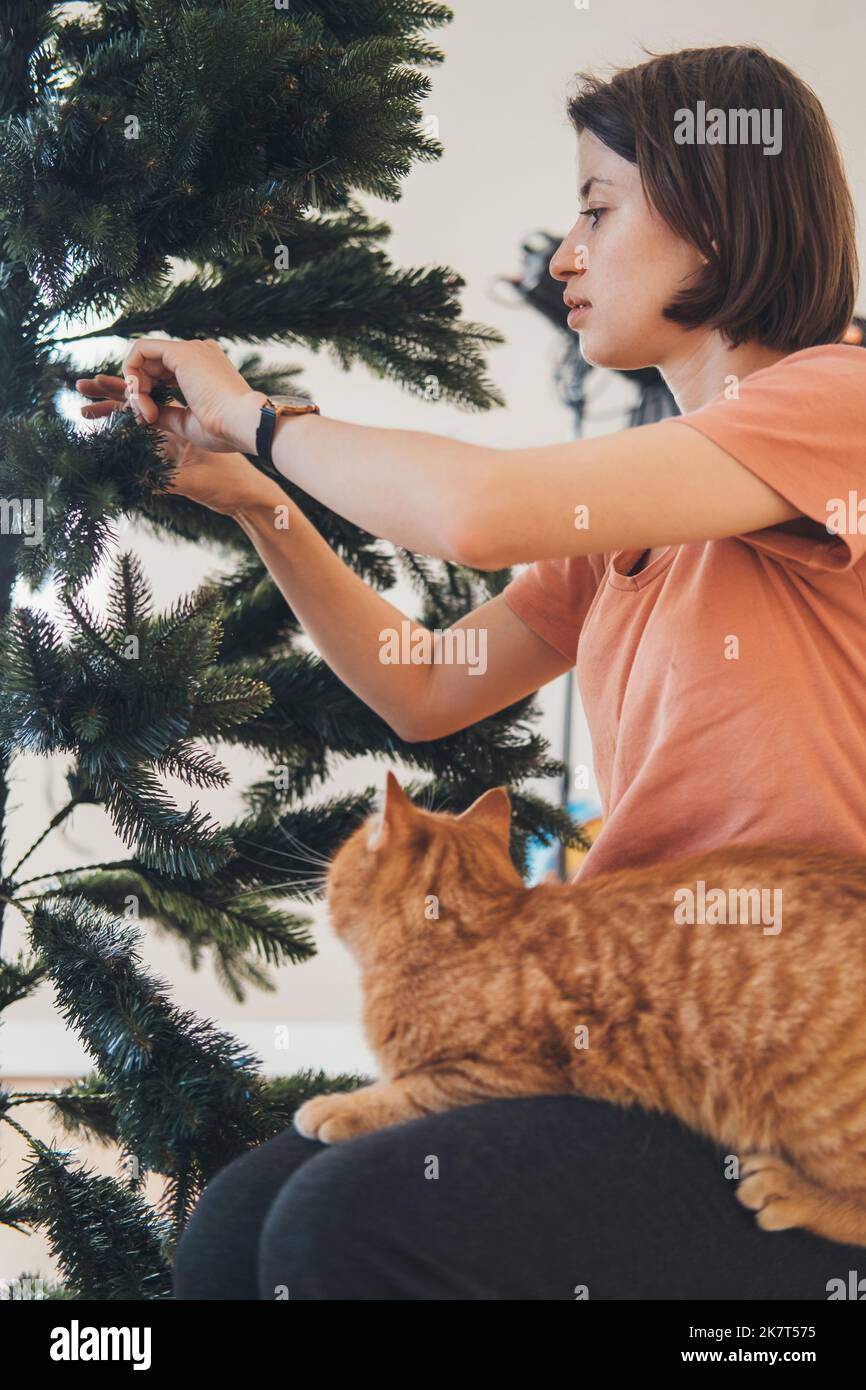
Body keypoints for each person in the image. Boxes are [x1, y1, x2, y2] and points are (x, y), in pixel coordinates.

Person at [77, 44, 866, 1300]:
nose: (564, 257)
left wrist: (257, 418)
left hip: (779, 1051)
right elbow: (425, 685)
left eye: (597, 210)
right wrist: (259, 505)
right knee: (236, 1226)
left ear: (715, 221)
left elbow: (478, 513)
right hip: (631, 1013)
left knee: (345, 1223)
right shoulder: (642, 510)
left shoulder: (840, 402)